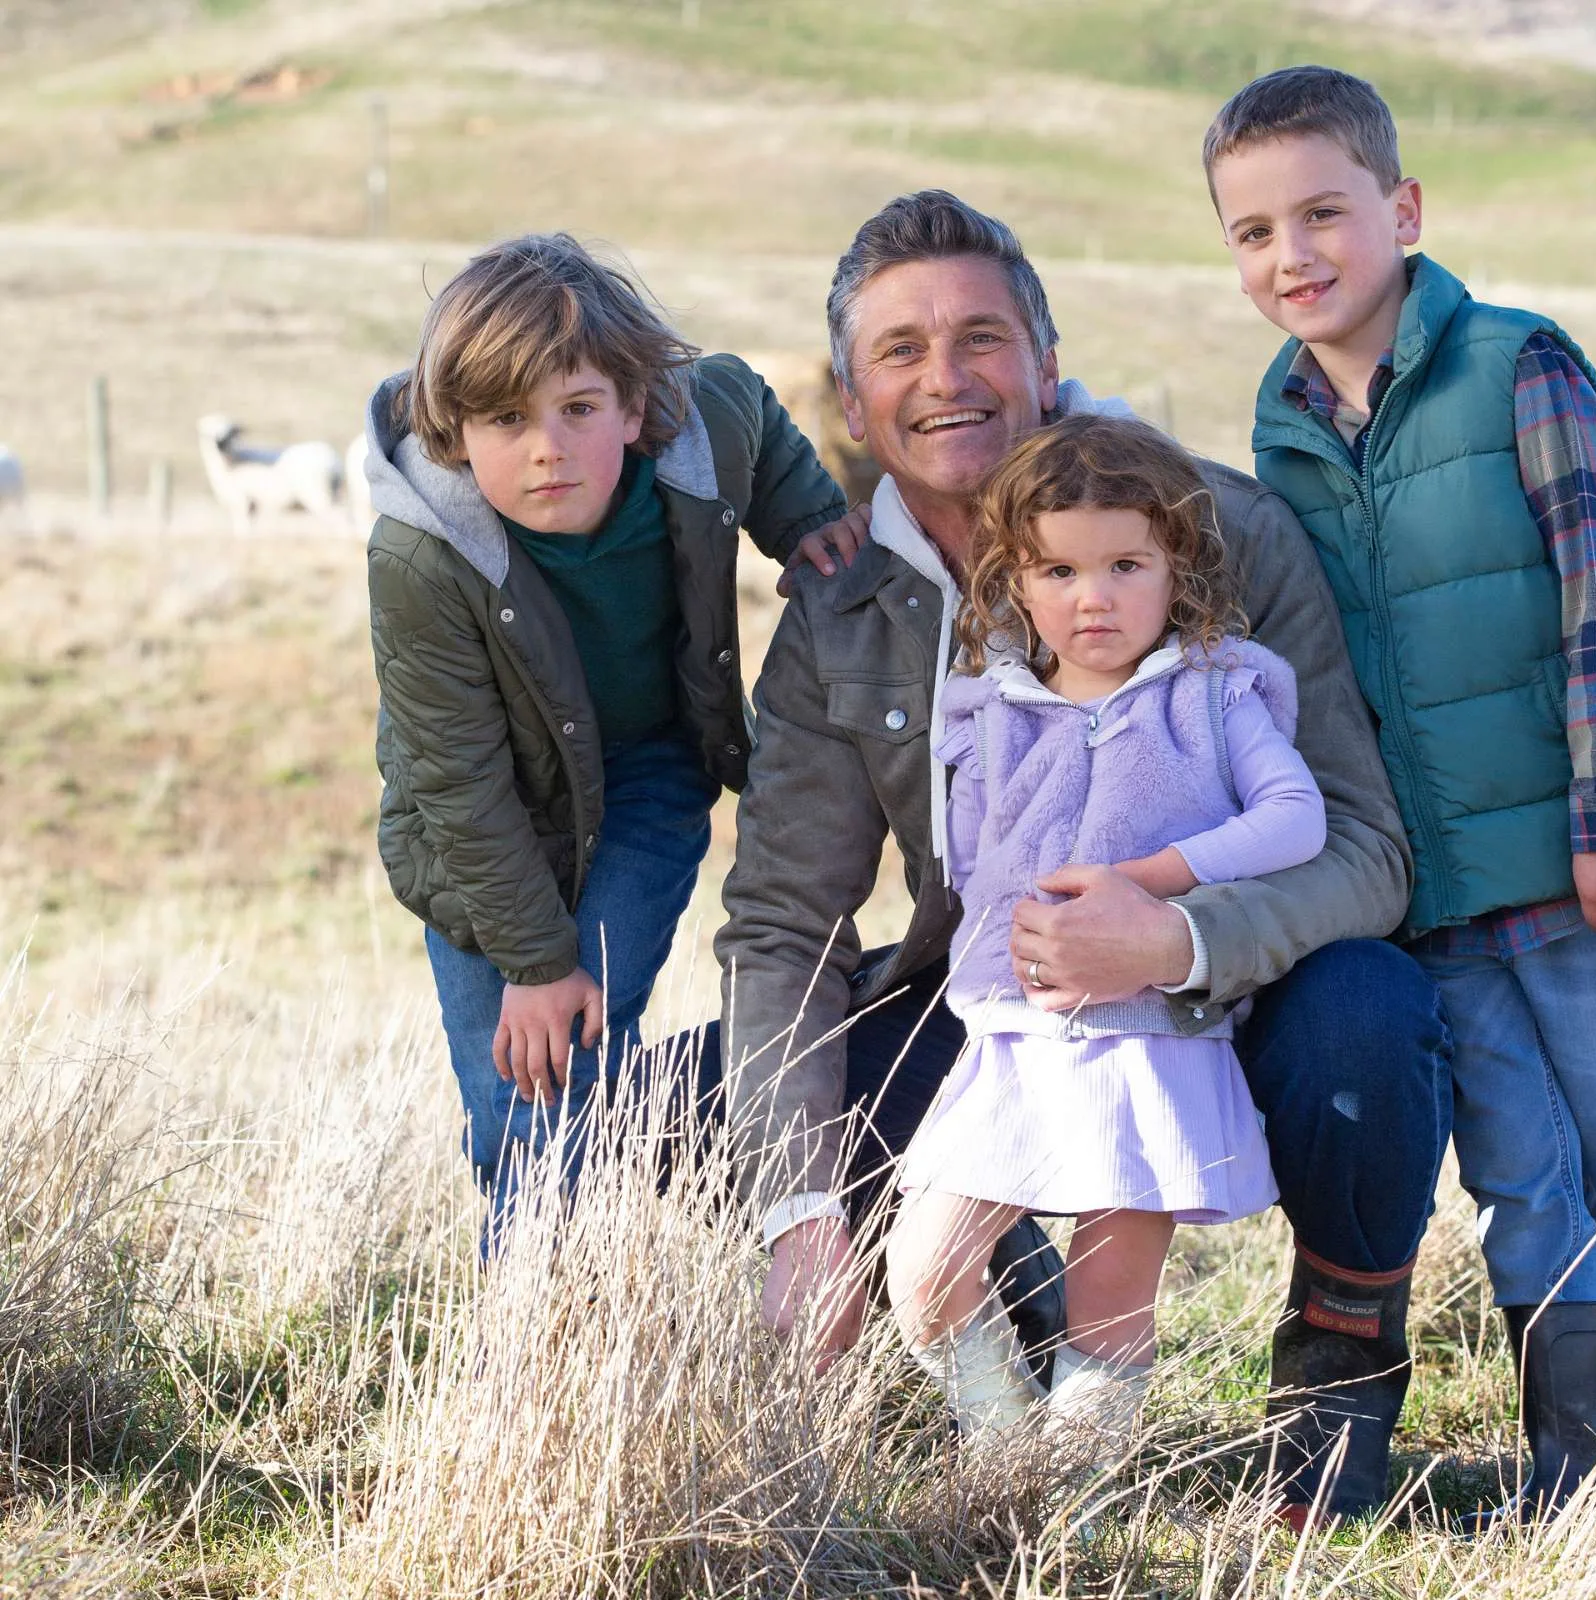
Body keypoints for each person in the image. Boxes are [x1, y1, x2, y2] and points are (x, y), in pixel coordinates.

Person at [712, 190, 1455, 1528]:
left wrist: (1175, 939)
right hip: (1004, 996)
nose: (947, 378)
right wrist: (796, 1207)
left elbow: (1362, 849)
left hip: (1231, 983)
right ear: (854, 395)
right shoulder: (843, 603)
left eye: (983, 337)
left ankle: (1337, 1364)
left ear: (1046, 359)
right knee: (758, 1102)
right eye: (901, 350)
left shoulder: (1213, 529)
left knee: (1374, 1019)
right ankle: (1022, 1396)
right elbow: (785, 923)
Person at [1206, 67, 1596, 1523]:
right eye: (1251, 234)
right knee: (1514, 1166)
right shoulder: (1283, 429)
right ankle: (1573, 1473)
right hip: (1437, 889)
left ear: (1402, 211)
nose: (1290, 255)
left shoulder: (1517, 363)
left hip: (1583, 861)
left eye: (1320, 214)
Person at [363, 232, 858, 1241]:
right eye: (507, 419)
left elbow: (755, 410)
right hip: (485, 826)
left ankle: (558, 1278)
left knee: (569, 1061)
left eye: (577, 410)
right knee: (513, 1096)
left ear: (633, 408)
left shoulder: (699, 420)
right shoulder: (421, 552)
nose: (548, 447)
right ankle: (540, 1326)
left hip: (647, 778)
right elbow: (458, 784)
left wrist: (803, 511)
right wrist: (536, 964)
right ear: (455, 434)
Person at [887, 413, 1327, 1459]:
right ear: (1016, 579)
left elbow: (1295, 817)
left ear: (1177, 567)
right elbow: (973, 862)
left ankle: (1075, 1500)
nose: (1096, 597)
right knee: (927, 1270)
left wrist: (1149, 881)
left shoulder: (1216, 695)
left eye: (1127, 564)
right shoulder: (994, 713)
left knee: (1111, 1295)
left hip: (1151, 1039)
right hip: (1011, 1041)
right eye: (1060, 570)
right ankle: (1003, 1449)